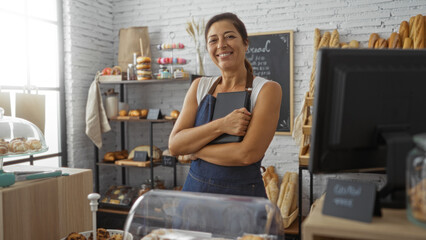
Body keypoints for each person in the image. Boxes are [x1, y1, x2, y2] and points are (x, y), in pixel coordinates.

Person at [169, 12, 282, 198]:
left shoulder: (266, 90)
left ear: (246, 43)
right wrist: (222, 124)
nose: (221, 44)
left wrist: (193, 149)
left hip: (242, 201)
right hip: (194, 199)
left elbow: (246, 154)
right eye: (213, 40)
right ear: (208, 48)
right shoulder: (200, 86)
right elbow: (174, 145)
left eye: (229, 36)